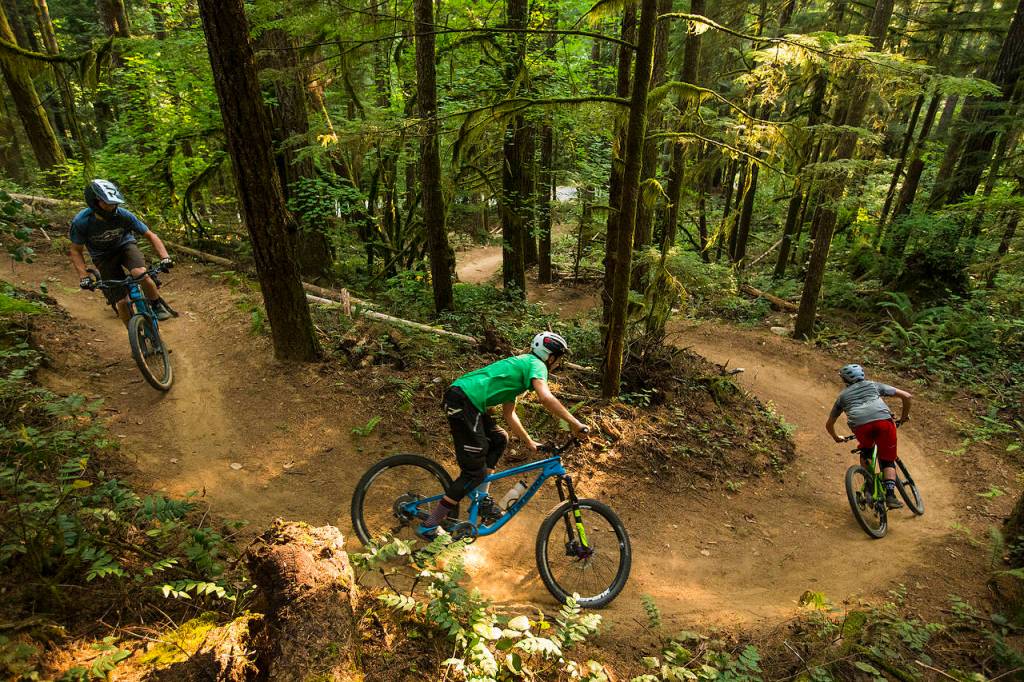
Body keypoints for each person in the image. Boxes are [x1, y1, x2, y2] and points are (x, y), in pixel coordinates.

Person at [418, 332, 590, 538]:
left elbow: (509, 414)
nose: (557, 364)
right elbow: (545, 398)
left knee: (499, 438)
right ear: (550, 357)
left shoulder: (523, 367)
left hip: (467, 401)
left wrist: (529, 442)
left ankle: (482, 499)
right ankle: (430, 523)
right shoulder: (537, 365)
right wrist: (576, 423)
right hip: (463, 400)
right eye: (558, 359)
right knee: (474, 473)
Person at [70, 179, 174, 323]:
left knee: (140, 274)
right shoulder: (81, 222)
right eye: (107, 203)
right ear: (94, 202)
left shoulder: (123, 215)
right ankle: (134, 335)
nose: (112, 207)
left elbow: (150, 235)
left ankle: (156, 305)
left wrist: (165, 257)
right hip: (103, 257)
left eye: (114, 203)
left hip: (125, 247)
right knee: (122, 303)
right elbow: (76, 251)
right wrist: (84, 277)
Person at [825, 363, 912, 509]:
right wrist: (903, 418)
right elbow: (907, 396)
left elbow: (829, 424)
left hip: (860, 426)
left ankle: (869, 485)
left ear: (844, 380)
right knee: (887, 460)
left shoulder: (842, 397)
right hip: (884, 423)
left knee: (866, 449)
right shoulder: (874, 386)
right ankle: (890, 496)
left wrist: (836, 437)